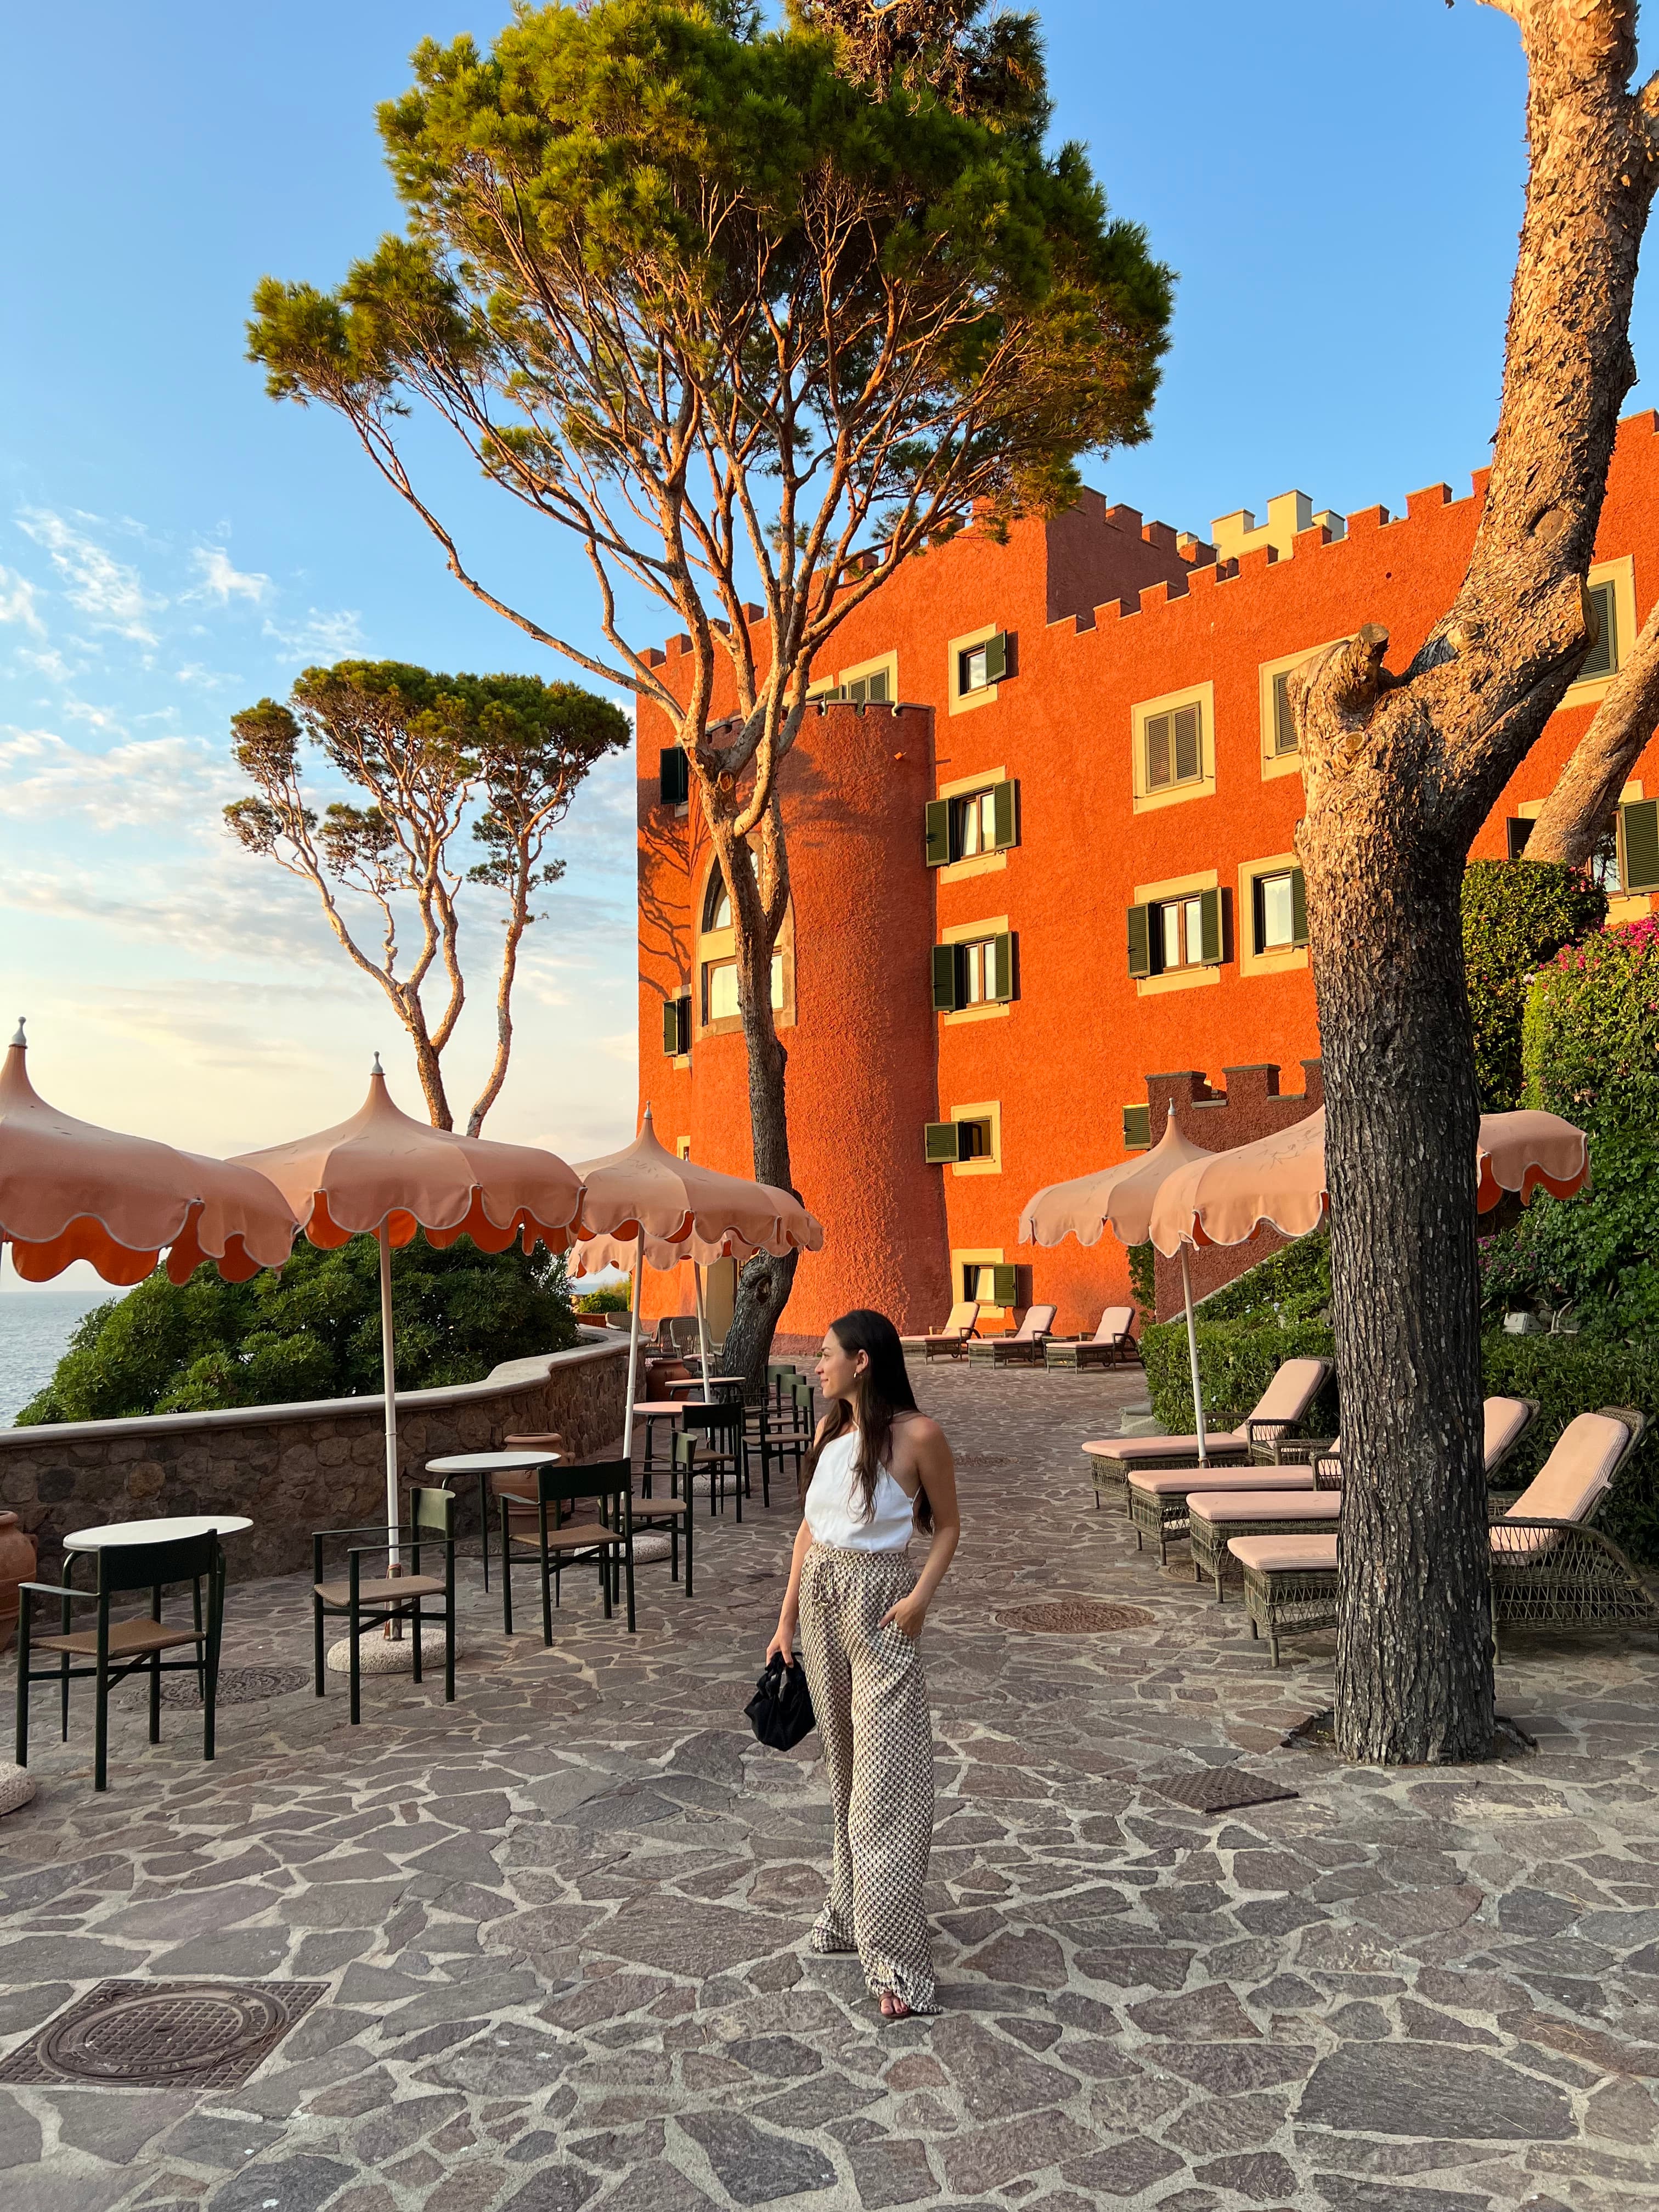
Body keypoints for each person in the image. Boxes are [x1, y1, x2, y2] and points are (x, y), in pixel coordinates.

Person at [766, 1308, 961, 2019]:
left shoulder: (919, 1436)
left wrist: (918, 1603)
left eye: (827, 1354)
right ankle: (850, 1913)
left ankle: (897, 1959)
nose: (818, 1366)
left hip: (881, 1603)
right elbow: (808, 1531)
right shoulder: (832, 1432)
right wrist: (785, 1619)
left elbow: (950, 1527)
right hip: (820, 1602)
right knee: (845, 1772)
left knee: (890, 1784)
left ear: (863, 1361)